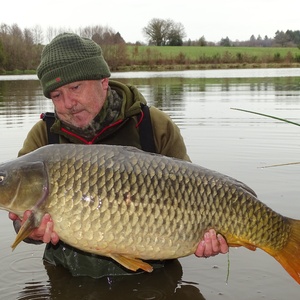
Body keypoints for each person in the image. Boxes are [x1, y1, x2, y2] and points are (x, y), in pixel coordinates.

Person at [9, 33, 228, 278]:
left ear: (103, 80)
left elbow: (197, 196)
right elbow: (21, 220)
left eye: (75, 87)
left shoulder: (153, 126)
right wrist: (30, 230)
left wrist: (207, 237)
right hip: (70, 275)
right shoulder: (42, 139)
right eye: (57, 95)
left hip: (153, 276)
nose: (68, 103)